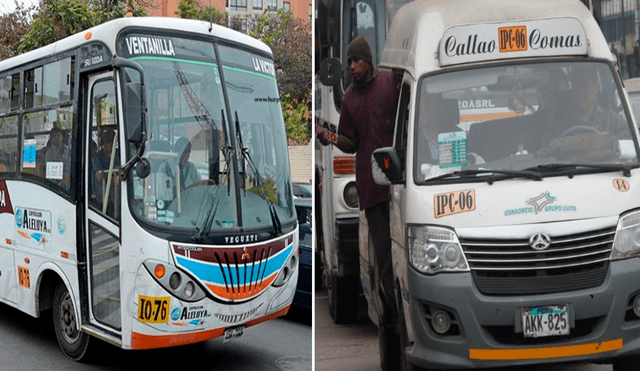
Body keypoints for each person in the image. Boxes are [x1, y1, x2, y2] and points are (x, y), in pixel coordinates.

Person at [317, 36, 399, 368]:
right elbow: (351, 143)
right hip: (371, 188)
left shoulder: (391, 82)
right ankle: (391, 321)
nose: (351, 67)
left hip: (401, 183)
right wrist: (333, 137)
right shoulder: (349, 98)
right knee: (382, 260)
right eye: (348, 62)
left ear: (368, 61)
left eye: (355, 61)